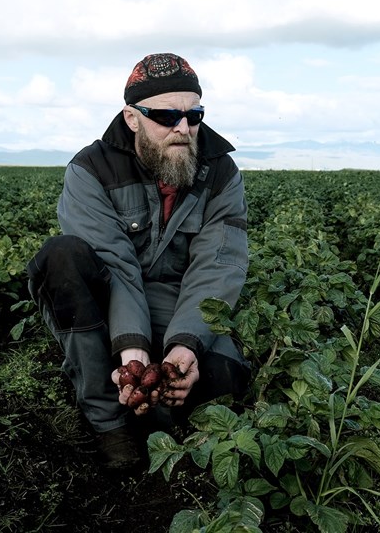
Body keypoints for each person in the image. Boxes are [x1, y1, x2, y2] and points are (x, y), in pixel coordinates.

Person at [27, 52, 251, 469]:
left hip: (174, 298)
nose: (183, 128)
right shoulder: (90, 169)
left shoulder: (221, 172)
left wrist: (186, 344)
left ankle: (162, 413)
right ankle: (109, 425)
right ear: (132, 118)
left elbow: (217, 266)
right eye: (166, 116)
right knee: (62, 256)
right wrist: (133, 350)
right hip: (108, 294)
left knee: (224, 377)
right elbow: (115, 266)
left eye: (193, 115)